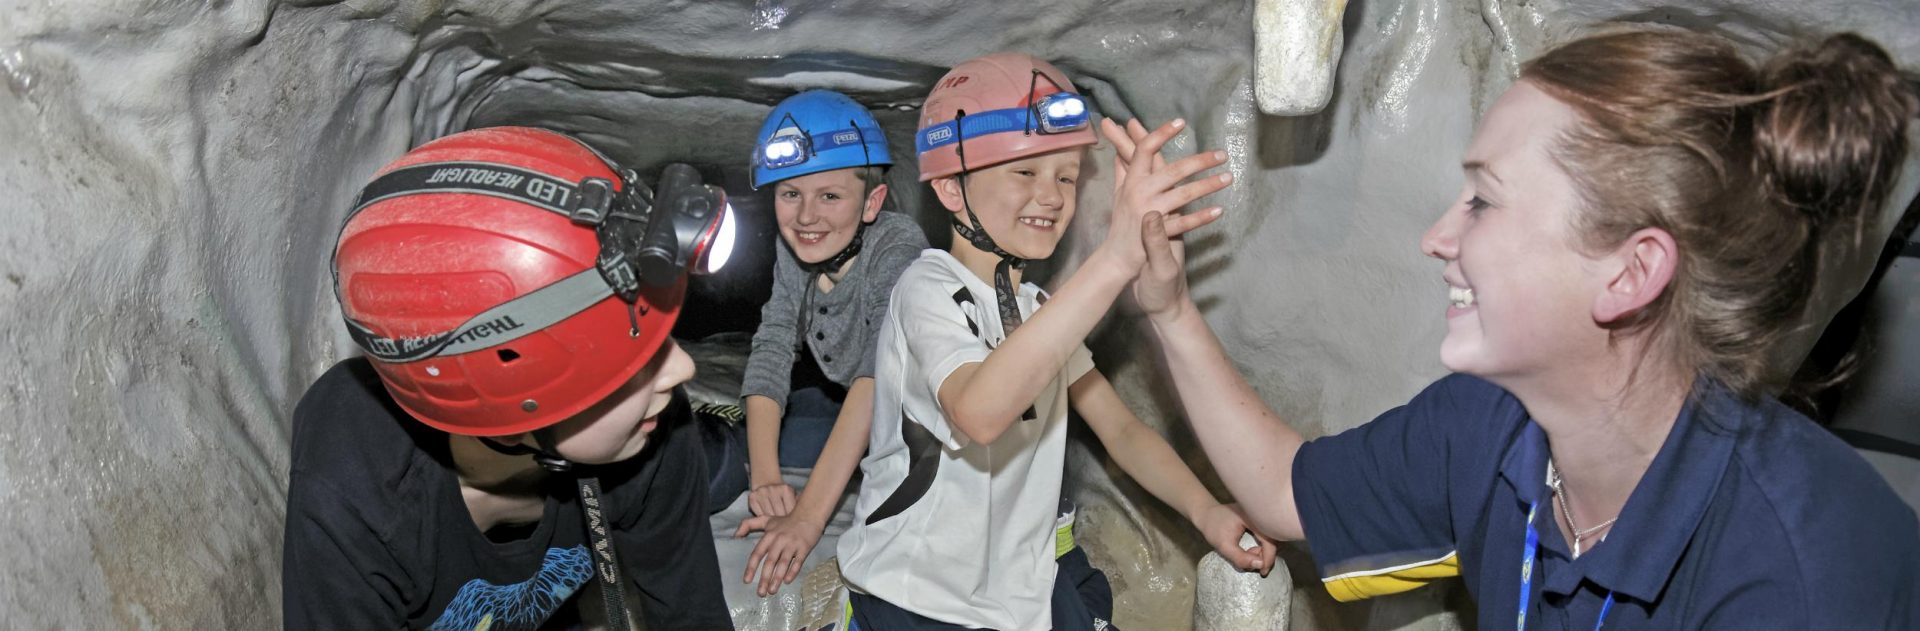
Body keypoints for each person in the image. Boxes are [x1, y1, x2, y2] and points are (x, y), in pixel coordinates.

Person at [1119, 26, 1920, 629]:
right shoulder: (1494, 421)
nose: (1437, 236)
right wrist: (1169, 309)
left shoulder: (1802, 574)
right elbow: (1288, 492)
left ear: (1630, 273)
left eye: (1483, 199)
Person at [833, 52, 1277, 631]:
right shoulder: (926, 286)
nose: (1053, 196)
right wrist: (1115, 259)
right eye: (1025, 172)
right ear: (948, 188)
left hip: (1020, 593)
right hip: (918, 596)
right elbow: (977, 411)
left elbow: (1123, 432)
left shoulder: (1038, 311)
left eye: (1066, 176)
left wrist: (1207, 511)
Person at [283, 126, 738, 630]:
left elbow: (692, 616)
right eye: (629, 366)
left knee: (729, 465)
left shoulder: (652, 429)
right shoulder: (357, 483)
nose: (682, 370)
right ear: (505, 402)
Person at [725, 90, 930, 597]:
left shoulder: (897, 249)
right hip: (848, 404)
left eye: (830, 196)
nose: (806, 216)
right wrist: (765, 479)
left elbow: (877, 372)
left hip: (928, 424)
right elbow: (773, 345)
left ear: (872, 203)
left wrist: (807, 521)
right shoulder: (795, 250)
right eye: (789, 193)